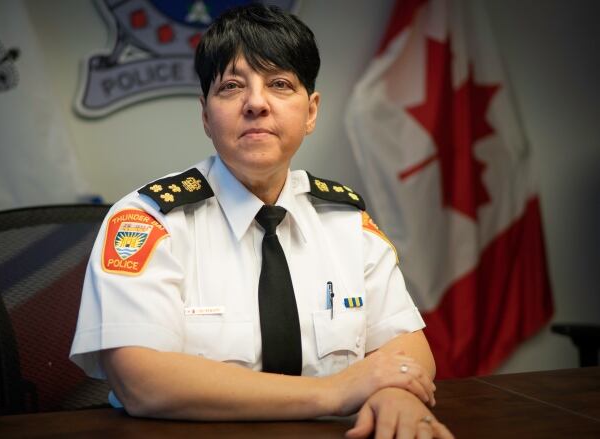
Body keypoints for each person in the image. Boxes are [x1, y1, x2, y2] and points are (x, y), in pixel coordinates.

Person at [71, 4, 453, 438]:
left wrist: (396, 393)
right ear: (205, 115)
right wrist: (336, 392)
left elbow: (406, 344)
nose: (256, 103)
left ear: (310, 112)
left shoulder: (345, 221)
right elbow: (141, 382)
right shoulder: (147, 221)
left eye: (279, 84)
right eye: (232, 86)